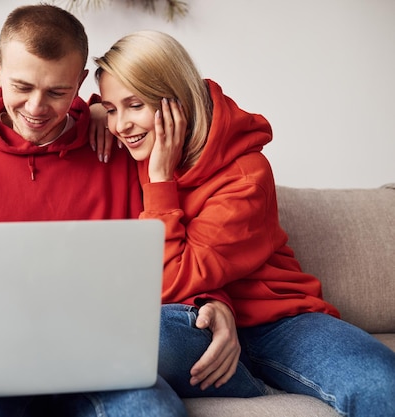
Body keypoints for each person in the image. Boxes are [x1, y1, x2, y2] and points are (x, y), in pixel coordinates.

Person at [0, 6, 191, 417]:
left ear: (80, 83)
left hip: (98, 360)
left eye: (58, 92)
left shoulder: (117, 149)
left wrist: (211, 301)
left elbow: (166, 257)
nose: (37, 107)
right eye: (22, 86)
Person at [92, 30, 395, 416]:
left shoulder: (246, 172)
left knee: (379, 380)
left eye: (134, 105)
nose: (121, 126)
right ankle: (242, 378)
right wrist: (97, 111)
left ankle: (247, 375)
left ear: (176, 100)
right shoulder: (123, 149)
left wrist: (161, 183)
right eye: (112, 108)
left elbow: (171, 280)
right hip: (194, 324)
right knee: (120, 344)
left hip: (280, 324)